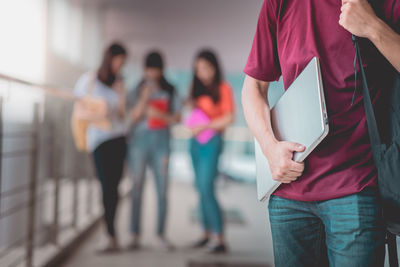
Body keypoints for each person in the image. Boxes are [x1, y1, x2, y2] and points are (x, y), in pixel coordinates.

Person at [241, 0, 400, 266]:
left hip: (355, 188)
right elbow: (253, 88)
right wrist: (270, 148)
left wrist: (373, 27)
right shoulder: (280, 3)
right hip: (289, 194)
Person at [74, 43, 128, 252]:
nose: (120, 66)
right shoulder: (88, 81)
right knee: (105, 187)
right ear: (109, 58)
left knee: (114, 188)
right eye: (118, 61)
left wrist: (121, 94)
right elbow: (79, 113)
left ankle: (111, 234)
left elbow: (122, 115)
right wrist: (101, 114)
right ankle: (109, 234)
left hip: (118, 138)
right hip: (98, 140)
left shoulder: (120, 82)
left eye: (123, 63)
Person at [127, 51, 181, 251]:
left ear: (161, 70)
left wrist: (157, 113)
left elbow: (177, 118)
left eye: (155, 69)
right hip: (139, 144)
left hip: (162, 144)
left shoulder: (170, 89)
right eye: (149, 69)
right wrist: (144, 98)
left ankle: (160, 235)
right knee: (136, 188)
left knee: (162, 190)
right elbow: (133, 117)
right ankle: (134, 234)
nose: (152, 73)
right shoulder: (137, 89)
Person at [187, 50, 235, 254]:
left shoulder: (223, 88)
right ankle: (206, 233)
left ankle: (219, 236)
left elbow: (229, 118)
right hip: (195, 142)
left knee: (207, 186)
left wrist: (205, 126)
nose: (202, 73)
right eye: (198, 70)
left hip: (212, 142)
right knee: (199, 187)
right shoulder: (196, 89)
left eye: (206, 68)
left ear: (215, 68)